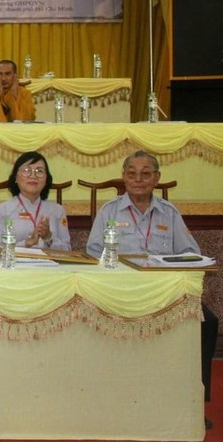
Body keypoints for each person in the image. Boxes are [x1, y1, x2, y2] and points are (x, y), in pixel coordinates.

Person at [86, 150, 218, 418]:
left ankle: (193, 400)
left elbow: (191, 253)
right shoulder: (109, 211)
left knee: (208, 322)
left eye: (146, 174)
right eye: (132, 174)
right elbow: (92, 253)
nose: (138, 179)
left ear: (156, 178)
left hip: (164, 294)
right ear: (124, 178)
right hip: (121, 292)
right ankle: (107, 400)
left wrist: (190, 275)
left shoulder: (169, 213)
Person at [0, 151, 70, 255]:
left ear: (46, 179)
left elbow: (67, 251)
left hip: (50, 270)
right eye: (26, 170)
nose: (33, 176)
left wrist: (48, 238)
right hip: (15, 269)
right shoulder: (3, 210)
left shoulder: (57, 210)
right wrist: (27, 243)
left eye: (39, 171)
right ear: (16, 178)